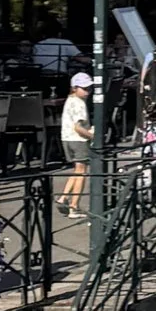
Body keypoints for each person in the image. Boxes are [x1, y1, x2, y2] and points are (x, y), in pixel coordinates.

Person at [58, 71, 95, 216]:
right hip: (78, 139)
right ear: (74, 88)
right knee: (82, 172)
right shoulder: (79, 104)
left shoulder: (70, 100)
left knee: (77, 170)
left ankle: (63, 197)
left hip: (67, 138)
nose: (87, 92)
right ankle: (74, 206)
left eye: (89, 88)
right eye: (84, 88)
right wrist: (92, 136)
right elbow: (78, 127)